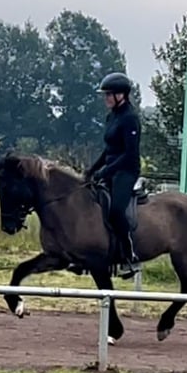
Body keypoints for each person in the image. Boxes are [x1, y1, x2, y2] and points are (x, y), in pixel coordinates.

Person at [70, 71, 142, 279]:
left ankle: (129, 256)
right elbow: (109, 150)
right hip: (110, 170)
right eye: (105, 95)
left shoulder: (130, 119)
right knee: (88, 204)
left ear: (122, 95)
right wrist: (92, 170)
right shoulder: (112, 117)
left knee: (116, 210)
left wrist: (105, 171)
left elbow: (129, 154)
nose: (106, 98)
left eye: (109, 94)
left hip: (126, 171)